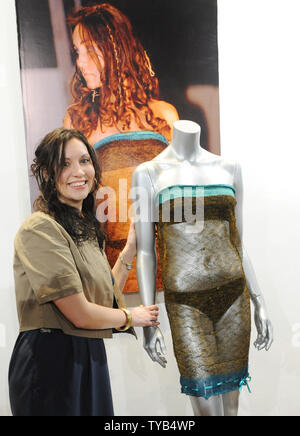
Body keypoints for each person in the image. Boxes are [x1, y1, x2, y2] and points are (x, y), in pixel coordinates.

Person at [8, 128, 160, 417]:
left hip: (87, 355)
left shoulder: (86, 228)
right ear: (47, 174)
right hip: (49, 361)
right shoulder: (39, 228)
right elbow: (78, 312)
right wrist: (132, 316)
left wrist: (128, 252)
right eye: (64, 164)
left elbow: (100, 301)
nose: (78, 171)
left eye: (84, 161)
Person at [131, 120, 273, 416]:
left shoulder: (229, 168)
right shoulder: (148, 173)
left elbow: (238, 242)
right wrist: (149, 321)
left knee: (231, 409)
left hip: (234, 298)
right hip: (185, 305)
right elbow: (146, 252)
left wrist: (258, 300)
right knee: (206, 409)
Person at [63, 3, 179, 292]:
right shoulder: (77, 122)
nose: (81, 62)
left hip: (170, 277)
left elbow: (185, 204)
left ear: (116, 48)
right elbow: (71, 211)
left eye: (90, 50)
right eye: (77, 52)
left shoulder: (165, 116)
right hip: (110, 283)